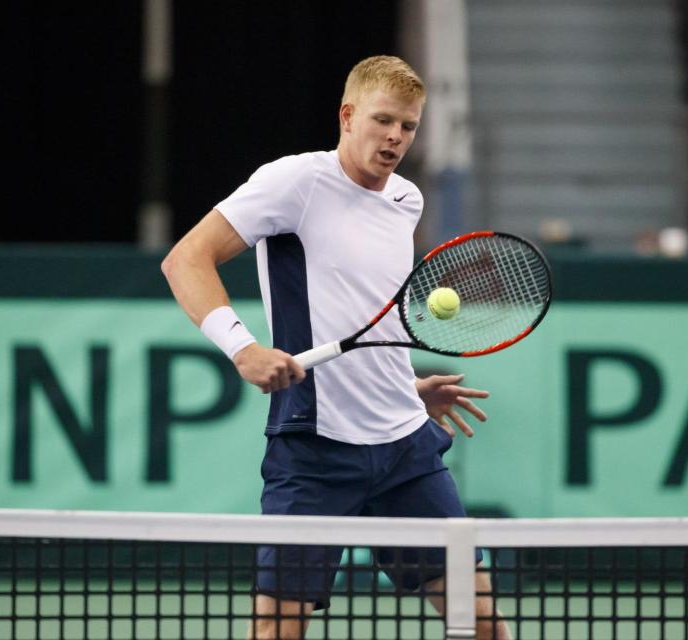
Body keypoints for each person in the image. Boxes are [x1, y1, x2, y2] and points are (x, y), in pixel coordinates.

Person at [162, 55, 511, 639]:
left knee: (479, 625)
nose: (396, 137)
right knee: (278, 631)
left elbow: (364, 310)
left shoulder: (407, 201)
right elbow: (185, 259)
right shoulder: (294, 182)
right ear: (347, 116)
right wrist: (243, 349)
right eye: (383, 121)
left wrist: (405, 387)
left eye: (409, 126)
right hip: (313, 452)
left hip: (405, 448)